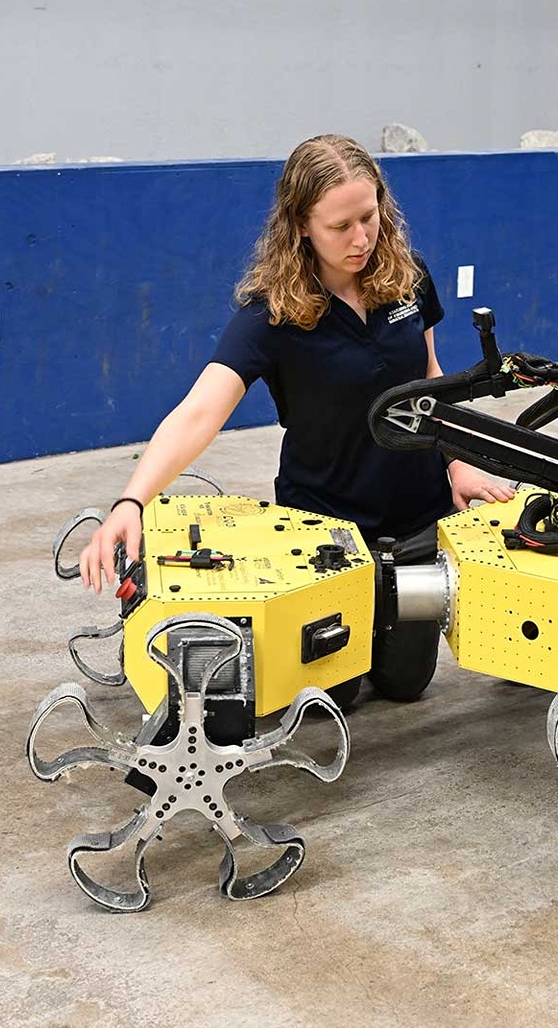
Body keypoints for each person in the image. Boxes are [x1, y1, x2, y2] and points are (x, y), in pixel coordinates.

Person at [79, 134, 511, 701]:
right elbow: (199, 412)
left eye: (369, 216)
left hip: (414, 520)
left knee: (407, 686)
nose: (361, 239)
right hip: (326, 531)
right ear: (301, 224)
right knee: (333, 695)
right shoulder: (273, 313)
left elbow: (430, 376)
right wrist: (132, 501)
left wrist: (458, 464)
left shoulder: (408, 275)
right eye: (340, 227)